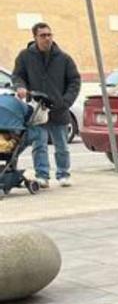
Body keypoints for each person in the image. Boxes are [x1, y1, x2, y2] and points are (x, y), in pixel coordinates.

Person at [12, 22, 80, 188]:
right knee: (39, 144)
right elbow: (17, 75)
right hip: (37, 109)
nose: (47, 38)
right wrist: (20, 87)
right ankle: (42, 175)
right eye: (43, 35)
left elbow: (74, 81)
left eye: (49, 35)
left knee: (62, 145)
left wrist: (66, 101)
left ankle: (63, 174)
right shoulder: (25, 56)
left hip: (59, 109)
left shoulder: (64, 58)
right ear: (35, 37)